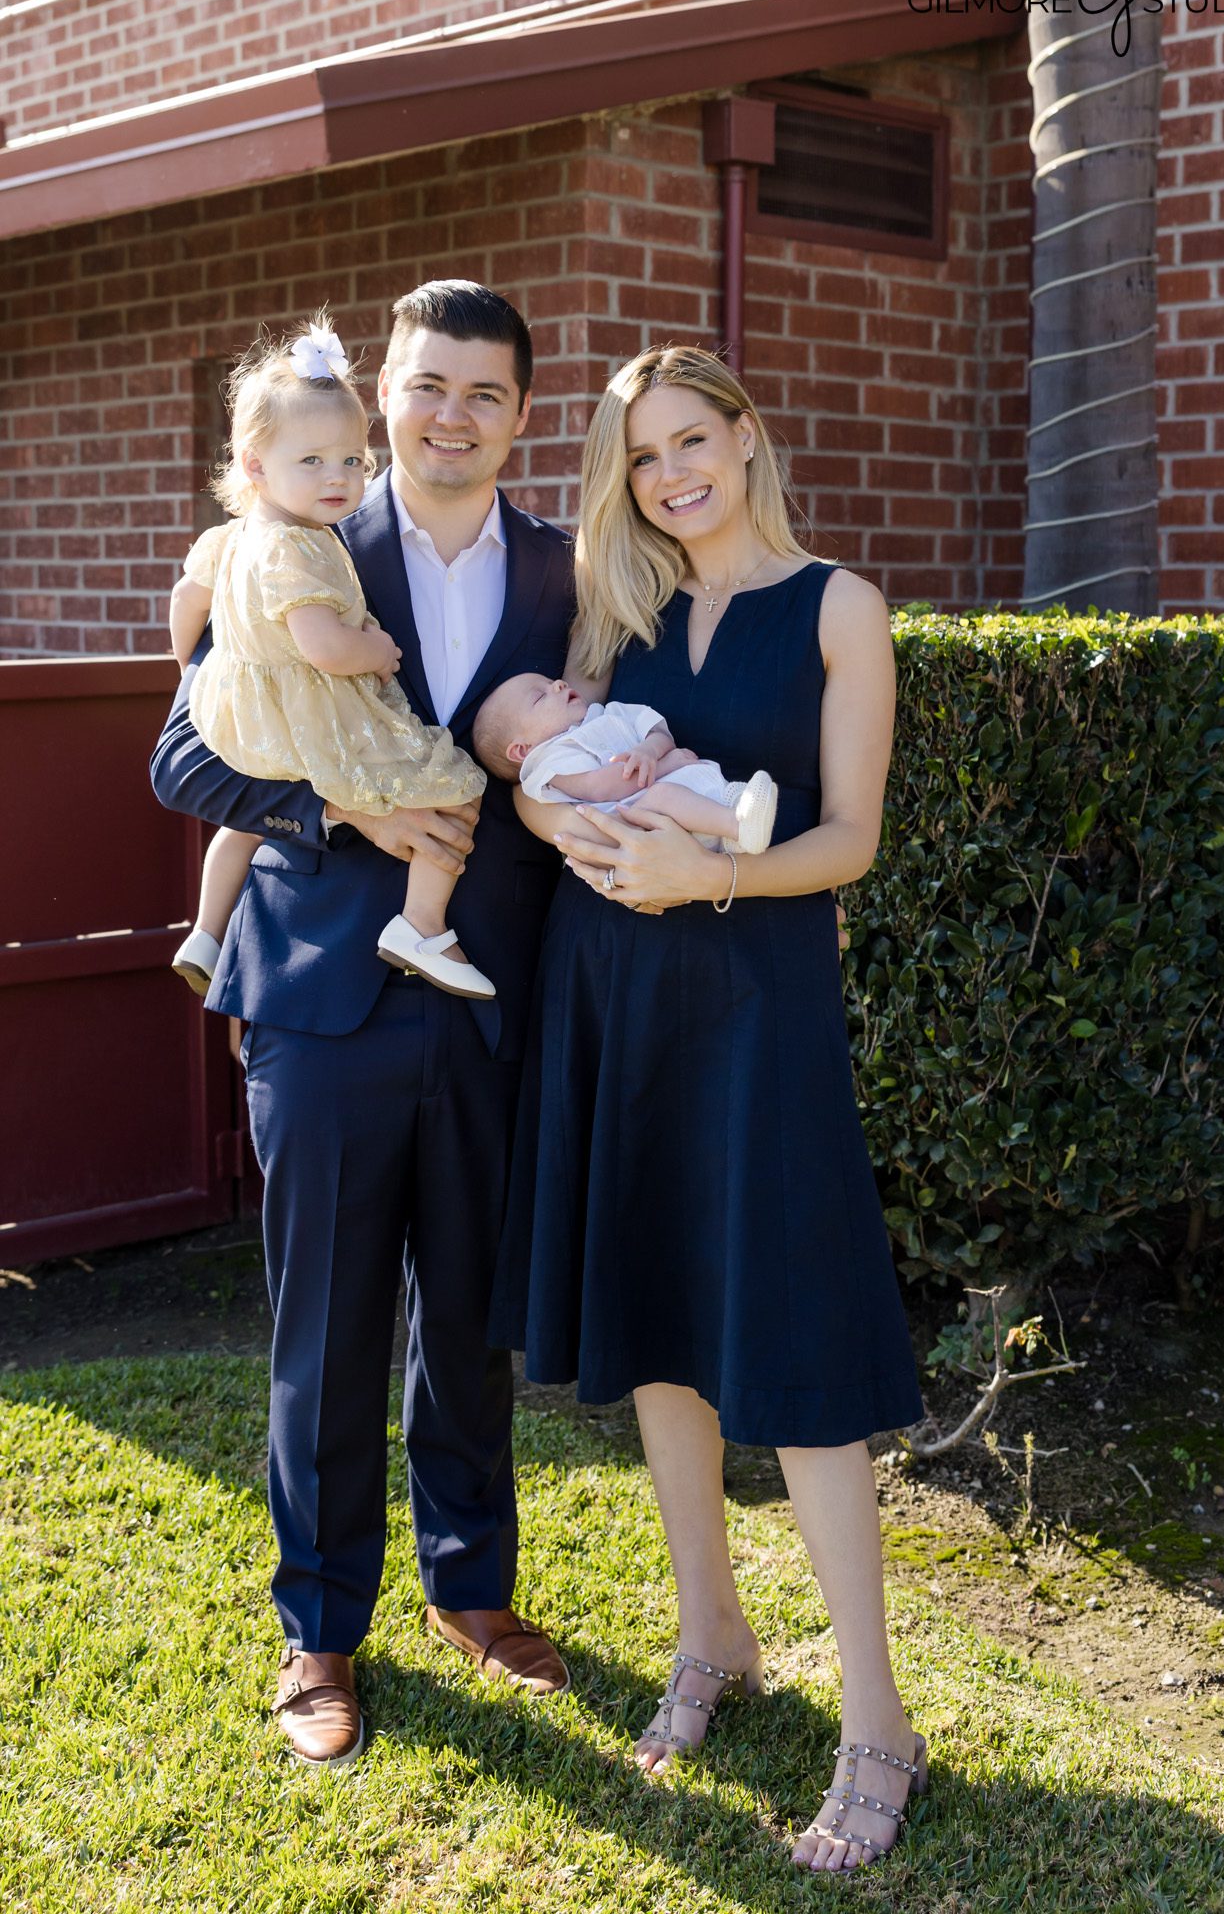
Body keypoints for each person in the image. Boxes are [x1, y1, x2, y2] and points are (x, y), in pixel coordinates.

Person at [490, 345, 928, 1872]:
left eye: (690, 440)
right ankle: (711, 1634)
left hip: (757, 1009)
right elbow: (544, 765)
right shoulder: (617, 613)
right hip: (613, 1000)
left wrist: (710, 873)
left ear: (744, 436)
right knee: (661, 1323)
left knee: (793, 1347)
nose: (670, 474)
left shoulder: (840, 606)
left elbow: (851, 838)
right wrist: (548, 810)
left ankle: (877, 1721)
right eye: (641, 455)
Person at [151, 281, 575, 1766]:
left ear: (521, 415)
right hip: (321, 1002)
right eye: (428, 384)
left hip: (490, 998)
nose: (451, 414)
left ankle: (473, 1586)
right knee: (324, 1329)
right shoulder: (296, 533)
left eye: (483, 392)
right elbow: (184, 760)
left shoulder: (569, 570)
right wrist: (338, 812)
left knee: (467, 1319)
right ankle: (321, 1627)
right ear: (386, 392)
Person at [168, 315, 493, 1002]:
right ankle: (422, 924)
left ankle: (205, 930)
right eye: (312, 462)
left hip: (248, 715)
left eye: (350, 460)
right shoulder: (301, 547)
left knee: (237, 828)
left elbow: (184, 600)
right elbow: (319, 647)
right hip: (311, 973)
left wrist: (205, 676)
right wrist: (375, 649)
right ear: (255, 465)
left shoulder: (230, 539)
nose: (337, 478)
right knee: (456, 785)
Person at [471, 670, 777, 854]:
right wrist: (664, 766)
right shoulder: (550, 763)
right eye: (540, 697)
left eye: (551, 681)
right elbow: (601, 788)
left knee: (687, 785)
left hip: (687, 797)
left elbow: (657, 732)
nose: (559, 685)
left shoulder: (607, 713)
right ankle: (737, 825)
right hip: (642, 818)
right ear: (521, 751)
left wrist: (650, 750)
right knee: (664, 795)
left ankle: (736, 819)